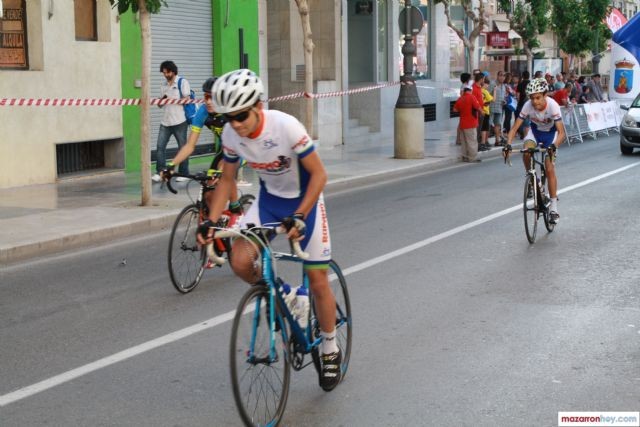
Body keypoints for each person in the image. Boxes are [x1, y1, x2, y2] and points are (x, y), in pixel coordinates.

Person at [201, 69, 342, 392]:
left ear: (258, 106)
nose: (235, 123)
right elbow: (227, 180)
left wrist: (301, 215)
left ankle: (330, 346)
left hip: (304, 201)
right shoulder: (231, 136)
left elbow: (320, 175)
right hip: (268, 202)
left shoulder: (285, 126)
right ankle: (287, 294)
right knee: (239, 261)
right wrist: (211, 222)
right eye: (228, 117)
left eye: (240, 115)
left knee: (318, 279)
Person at [161, 77, 243, 234]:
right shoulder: (203, 112)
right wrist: (171, 166)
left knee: (225, 172)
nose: (209, 101)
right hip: (223, 150)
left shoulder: (230, 112)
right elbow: (190, 146)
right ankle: (215, 229)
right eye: (206, 97)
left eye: (213, 97)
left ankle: (235, 210)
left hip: (241, 149)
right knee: (209, 192)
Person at [504, 78, 566, 224]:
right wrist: (508, 144)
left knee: (549, 168)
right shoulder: (527, 106)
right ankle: (532, 179)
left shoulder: (553, 106)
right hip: (535, 133)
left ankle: (554, 209)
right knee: (527, 151)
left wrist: (554, 146)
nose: (535, 102)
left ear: (545, 95)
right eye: (532, 98)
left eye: (538, 97)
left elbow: (562, 133)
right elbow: (514, 128)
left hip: (551, 136)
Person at [153, 61, 191, 183]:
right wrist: (161, 101)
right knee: (160, 147)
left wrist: (173, 100)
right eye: (163, 73)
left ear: (173, 71)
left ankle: (184, 173)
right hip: (165, 121)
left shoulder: (182, 82)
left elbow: (187, 99)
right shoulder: (163, 85)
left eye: (167, 72)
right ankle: (160, 172)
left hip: (180, 121)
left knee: (182, 147)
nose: (165, 75)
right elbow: (160, 106)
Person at [453, 87, 482, 162]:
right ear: (470, 91)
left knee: (464, 141)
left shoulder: (460, 98)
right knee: (472, 141)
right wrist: (482, 112)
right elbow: (477, 107)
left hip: (462, 124)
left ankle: (465, 156)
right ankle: (472, 157)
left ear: (464, 91)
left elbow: (455, 109)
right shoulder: (472, 97)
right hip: (471, 123)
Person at [490, 71, 507, 146]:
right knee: (488, 124)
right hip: (491, 107)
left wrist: (504, 101)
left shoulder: (503, 86)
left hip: (499, 108)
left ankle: (497, 140)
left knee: (498, 124)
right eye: (501, 75)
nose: (502, 77)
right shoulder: (492, 84)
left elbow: (503, 97)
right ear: (497, 76)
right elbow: (486, 94)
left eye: (504, 76)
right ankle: (484, 141)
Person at [515, 70, 530, 139]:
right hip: (530, 104)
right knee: (528, 120)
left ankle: (523, 134)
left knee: (521, 119)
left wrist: (518, 102)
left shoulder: (520, 84)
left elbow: (517, 96)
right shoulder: (531, 84)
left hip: (521, 104)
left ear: (523, 76)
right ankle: (527, 135)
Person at [480, 77, 494, 151]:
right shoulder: (485, 91)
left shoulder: (479, 90)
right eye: (487, 84)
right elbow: (493, 99)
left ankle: (483, 142)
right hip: (485, 111)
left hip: (480, 111)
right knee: (485, 128)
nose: (488, 86)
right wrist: (494, 91)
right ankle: (483, 142)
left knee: (482, 128)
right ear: (484, 83)